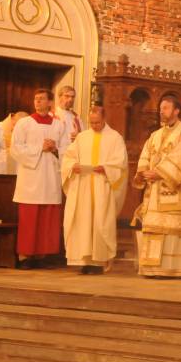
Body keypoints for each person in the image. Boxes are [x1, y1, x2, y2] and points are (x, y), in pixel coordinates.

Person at [132, 96, 181, 278]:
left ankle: (171, 269)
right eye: (161, 108)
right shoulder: (156, 134)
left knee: (170, 231)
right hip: (153, 190)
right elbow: (146, 154)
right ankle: (152, 268)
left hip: (172, 189)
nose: (162, 111)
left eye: (166, 108)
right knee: (153, 228)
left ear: (176, 111)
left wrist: (159, 173)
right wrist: (143, 171)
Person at [61, 106, 128, 274]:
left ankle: (98, 262)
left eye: (97, 122)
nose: (95, 125)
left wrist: (106, 168)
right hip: (82, 186)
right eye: (92, 122)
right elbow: (68, 157)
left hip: (102, 186)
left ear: (104, 119)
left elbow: (120, 163)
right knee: (82, 223)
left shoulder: (115, 138)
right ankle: (84, 261)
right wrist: (72, 166)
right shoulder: (82, 137)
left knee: (100, 223)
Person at [11, 89, 67, 269]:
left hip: (50, 177)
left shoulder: (59, 125)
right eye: (36, 99)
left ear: (50, 102)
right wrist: (39, 148)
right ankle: (25, 256)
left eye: (42, 99)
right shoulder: (25, 123)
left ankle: (43, 255)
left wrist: (56, 149)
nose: (37, 102)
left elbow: (68, 149)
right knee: (29, 218)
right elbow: (15, 148)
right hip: (31, 178)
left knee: (47, 218)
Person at [54, 85, 82, 149]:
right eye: (67, 96)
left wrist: (78, 137)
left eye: (72, 97)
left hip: (73, 153)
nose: (70, 99)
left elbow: (82, 136)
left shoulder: (76, 117)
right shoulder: (52, 116)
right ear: (60, 97)